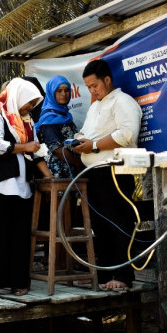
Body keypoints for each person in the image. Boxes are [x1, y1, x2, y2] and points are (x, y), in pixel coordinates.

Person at [0, 77, 52, 298]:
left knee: (19, 235)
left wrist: (49, 178)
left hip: (22, 186)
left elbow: (35, 151)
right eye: (29, 102)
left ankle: (18, 281)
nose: (31, 107)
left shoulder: (27, 122)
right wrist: (25, 147)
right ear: (17, 96)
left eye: (33, 104)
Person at [73, 59, 142, 291]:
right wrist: (79, 140)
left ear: (107, 80)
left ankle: (122, 276)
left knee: (118, 222)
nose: (92, 91)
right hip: (93, 173)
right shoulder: (95, 106)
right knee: (100, 226)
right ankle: (104, 275)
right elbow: (87, 132)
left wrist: (93, 146)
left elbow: (127, 134)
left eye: (94, 86)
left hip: (114, 171)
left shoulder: (123, 102)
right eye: (88, 87)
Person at [35, 75, 84, 178]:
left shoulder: (65, 114)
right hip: (59, 173)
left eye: (66, 90)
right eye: (59, 91)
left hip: (71, 169)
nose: (64, 94)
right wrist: (78, 163)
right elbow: (56, 148)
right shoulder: (49, 117)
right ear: (52, 93)